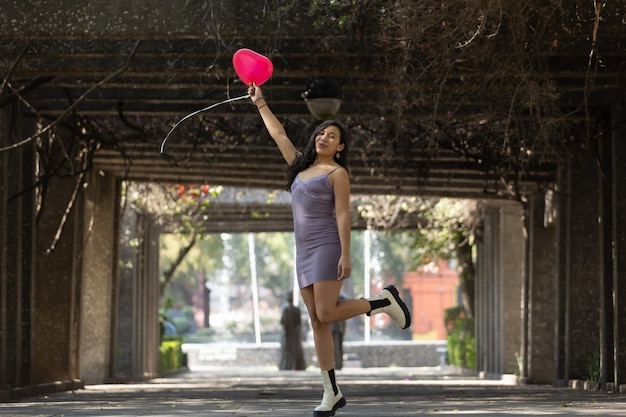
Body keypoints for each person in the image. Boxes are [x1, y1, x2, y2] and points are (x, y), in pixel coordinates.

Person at [249, 84, 412, 417]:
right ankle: (331, 392)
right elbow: (279, 134)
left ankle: (382, 301)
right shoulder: (299, 167)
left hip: (326, 246)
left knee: (325, 313)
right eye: (321, 133)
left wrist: (346, 254)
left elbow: (342, 214)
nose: (323, 137)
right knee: (316, 321)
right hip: (303, 251)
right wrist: (260, 102)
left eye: (332, 136)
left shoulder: (338, 174)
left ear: (340, 147)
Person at [279, 291, 306, 370]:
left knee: (289, 351)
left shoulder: (286, 310)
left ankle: (288, 367)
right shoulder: (295, 310)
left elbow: (282, 322)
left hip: (288, 334)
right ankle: (294, 366)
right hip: (293, 334)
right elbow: (299, 323)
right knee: (294, 351)